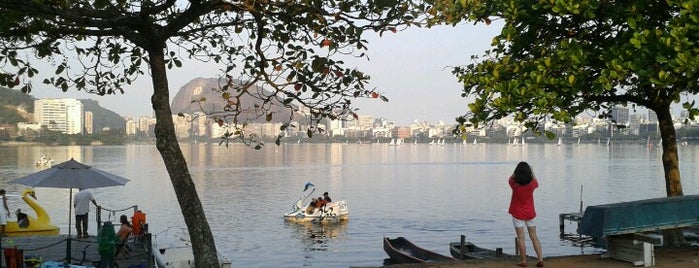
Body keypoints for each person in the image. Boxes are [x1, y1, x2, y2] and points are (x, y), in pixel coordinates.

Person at [508, 161, 544, 267]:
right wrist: (532, 171)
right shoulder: (532, 184)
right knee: (534, 236)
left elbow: (512, 177)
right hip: (530, 213)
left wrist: (516, 171)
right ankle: (540, 259)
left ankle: (523, 261)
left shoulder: (514, 184)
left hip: (517, 213)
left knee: (521, 237)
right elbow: (536, 182)